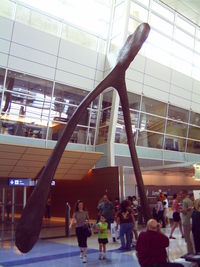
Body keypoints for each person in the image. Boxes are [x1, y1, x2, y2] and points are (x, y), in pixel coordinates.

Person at [181, 190, 194, 254]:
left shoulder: (185, 201)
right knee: (191, 237)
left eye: (182, 194)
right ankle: (192, 250)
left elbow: (184, 212)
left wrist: (180, 210)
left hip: (186, 221)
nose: (181, 195)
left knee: (187, 238)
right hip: (191, 221)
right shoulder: (191, 201)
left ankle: (190, 252)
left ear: (185, 193)